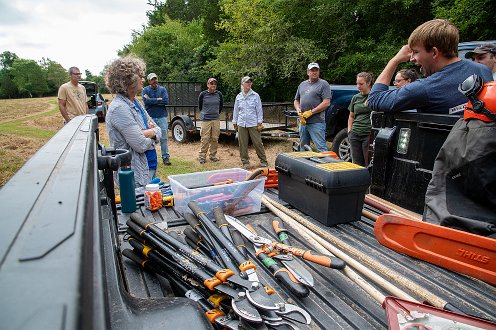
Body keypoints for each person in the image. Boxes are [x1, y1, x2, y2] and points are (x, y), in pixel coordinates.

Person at [367, 19, 493, 115]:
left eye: (415, 52)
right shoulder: (483, 70)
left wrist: (394, 60)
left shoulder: (426, 88)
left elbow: (374, 99)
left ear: (434, 52)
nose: (412, 58)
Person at [105, 55, 162, 187]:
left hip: (148, 166)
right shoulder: (119, 108)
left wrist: (148, 132)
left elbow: (159, 130)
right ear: (127, 81)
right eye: (139, 76)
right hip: (133, 174)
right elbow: (140, 144)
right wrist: (152, 133)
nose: (143, 79)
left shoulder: (135, 102)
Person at [294, 62, 332, 152]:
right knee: (303, 147)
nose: (314, 72)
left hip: (317, 122)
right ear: (308, 72)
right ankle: (304, 165)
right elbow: (296, 100)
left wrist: (311, 112)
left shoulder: (324, 84)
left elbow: (326, 103)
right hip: (303, 122)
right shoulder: (302, 85)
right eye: (312, 70)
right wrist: (298, 110)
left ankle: (325, 165)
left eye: (316, 70)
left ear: (319, 71)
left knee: (321, 147)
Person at [232, 76, 268, 168]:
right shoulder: (239, 96)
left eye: (250, 82)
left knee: (257, 143)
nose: (249, 84)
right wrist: (234, 122)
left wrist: (260, 122)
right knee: (242, 144)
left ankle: (263, 160)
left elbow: (259, 110)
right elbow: (236, 110)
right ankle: (245, 162)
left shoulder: (255, 95)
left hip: (253, 123)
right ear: (242, 84)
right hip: (241, 123)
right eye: (246, 82)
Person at [142, 73, 171, 166]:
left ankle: (165, 157)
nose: (154, 81)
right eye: (152, 79)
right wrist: (158, 99)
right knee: (150, 137)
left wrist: (152, 100)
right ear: (149, 81)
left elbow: (166, 101)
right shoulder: (145, 89)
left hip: (162, 116)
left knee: (164, 138)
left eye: (155, 79)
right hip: (150, 117)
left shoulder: (162, 89)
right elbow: (146, 101)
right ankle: (150, 159)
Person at [347, 72, 373, 167]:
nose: (358, 86)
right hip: (355, 133)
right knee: (356, 163)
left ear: (368, 83)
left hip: (368, 134)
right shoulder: (355, 97)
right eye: (357, 83)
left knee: (368, 162)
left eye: (361, 84)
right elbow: (351, 116)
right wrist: (349, 131)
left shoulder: (374, 96)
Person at [198, 77, 224, 164]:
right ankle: (202, 156)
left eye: (214, 84)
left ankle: (212, 155)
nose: (213, 85)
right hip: (206, 120)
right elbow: (200, 106)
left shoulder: (219, 94)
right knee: (205, 138)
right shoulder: (203, 94)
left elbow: (221, 106)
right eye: (211, 83)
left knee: (215, 138)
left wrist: (216, 113)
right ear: (207, 85)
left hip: (216, 119)